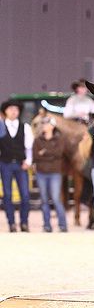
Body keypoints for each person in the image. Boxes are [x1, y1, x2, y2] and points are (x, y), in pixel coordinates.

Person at [0, 99, 34, 232]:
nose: (14, 111)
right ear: (5, 112)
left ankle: (24, 222)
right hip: (5, 164)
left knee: (25, 195)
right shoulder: (1, 126)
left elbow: (29, 147)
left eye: (16, 109)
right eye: (11, 109)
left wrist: (28, 161)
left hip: (21, 165)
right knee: (7, 195)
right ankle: (11, 223)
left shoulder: (25, 127)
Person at [32, 116, 68, 232]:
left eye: (46, 124)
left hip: (54, 173)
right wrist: (49, 154)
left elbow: (59, 153)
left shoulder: (60, 139)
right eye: (43, 124)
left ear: (52, 126)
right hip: (41, 173)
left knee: (56, 199)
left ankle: (62, 225)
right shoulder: (37, 140)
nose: (43, 126)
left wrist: (44, 152)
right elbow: (36, 156)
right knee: (44, 200)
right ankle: (47, 225)